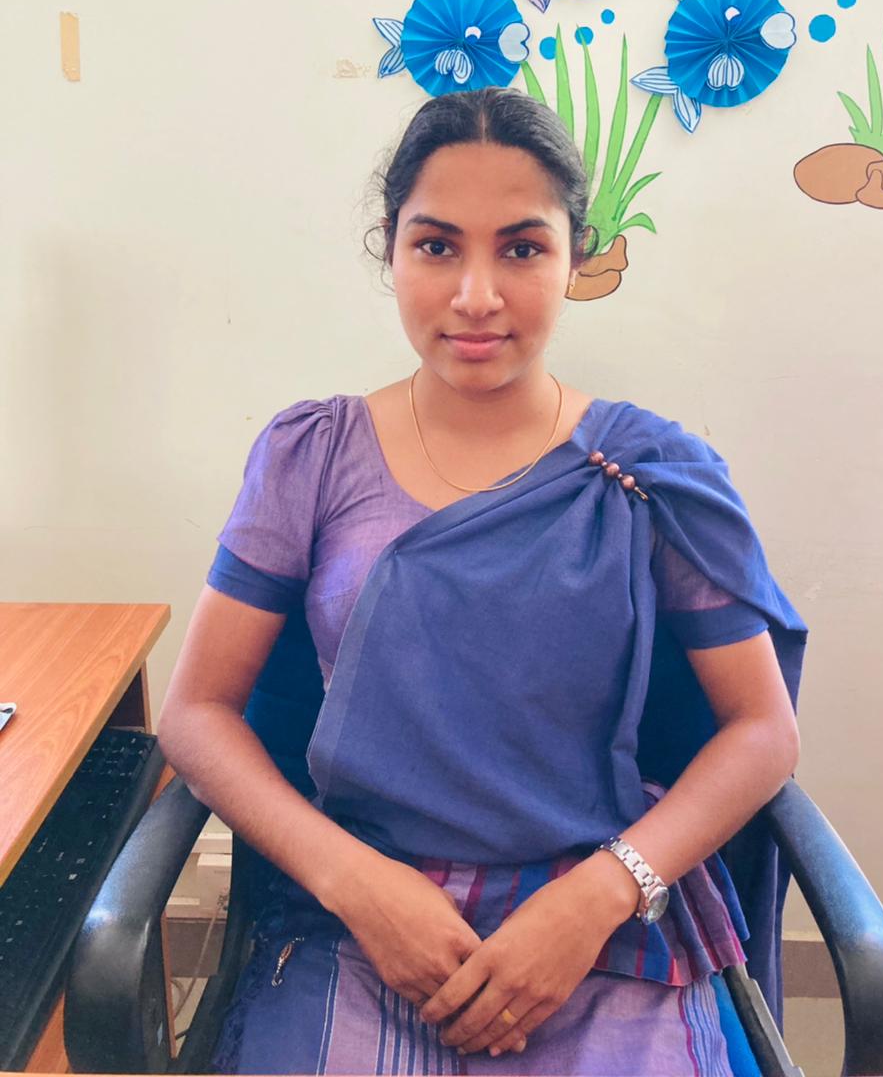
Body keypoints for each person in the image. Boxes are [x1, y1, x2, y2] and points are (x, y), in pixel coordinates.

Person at [157, 86, 807, 1076]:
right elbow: (196, 710)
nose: (475, 296)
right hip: (363, 915)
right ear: (389, 249)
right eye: (435, 245)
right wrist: (358, 885)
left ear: (576, 256)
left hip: (598, 915)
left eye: (520, 248)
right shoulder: (312, 457)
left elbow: (762, 730)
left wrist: (600, 895)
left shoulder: (645, 473)